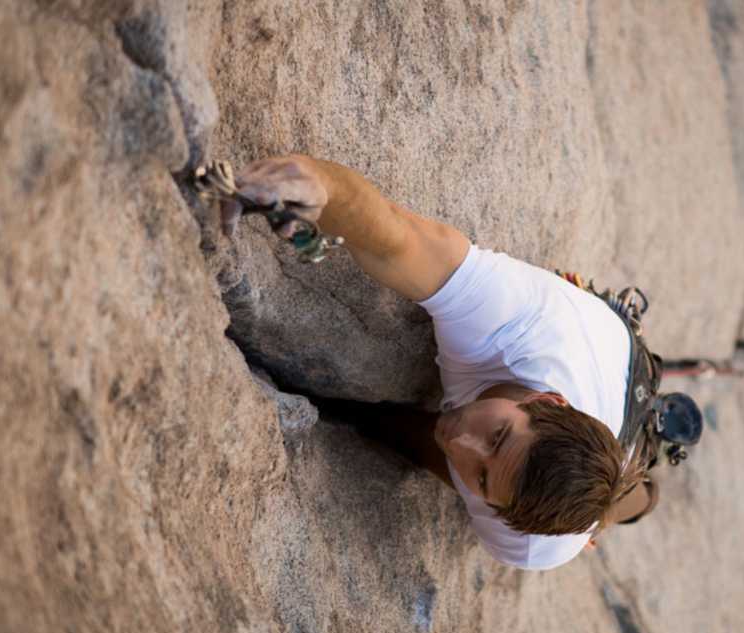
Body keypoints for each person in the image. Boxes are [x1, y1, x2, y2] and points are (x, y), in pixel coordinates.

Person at [218, 155, 659, 570]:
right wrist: (318, 184)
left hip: (606, 433)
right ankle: (639, 489)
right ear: (549, 400)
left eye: (483, 480)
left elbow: (422, 442)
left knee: (616, 505)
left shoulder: (528, 545)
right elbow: (397, 239)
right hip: (611, 344)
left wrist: (365, 418)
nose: (463, 440)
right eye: (500, 435)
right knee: (623, 483)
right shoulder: (514, 322)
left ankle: (634, 499)